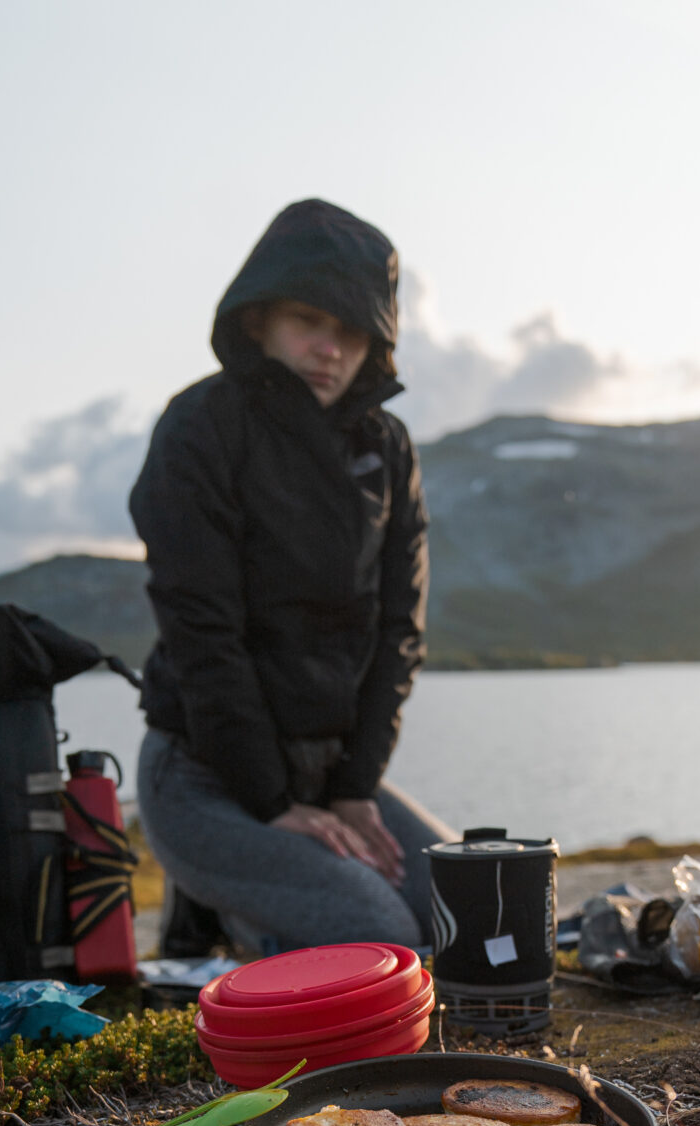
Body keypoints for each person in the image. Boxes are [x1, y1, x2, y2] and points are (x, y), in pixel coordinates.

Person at [130, 198, 454, 955]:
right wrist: (272, 802)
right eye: (310, 319)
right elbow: (204, 632)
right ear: (258, 320)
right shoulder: (200, 429)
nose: (329, 348)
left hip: (328, 778)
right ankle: (229, 918)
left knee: (468, 908)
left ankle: (244, 908)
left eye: (350, 331)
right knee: (377, 936)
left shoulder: (387, 446)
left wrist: (351, 789)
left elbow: (399, 632)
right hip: (207, 778)